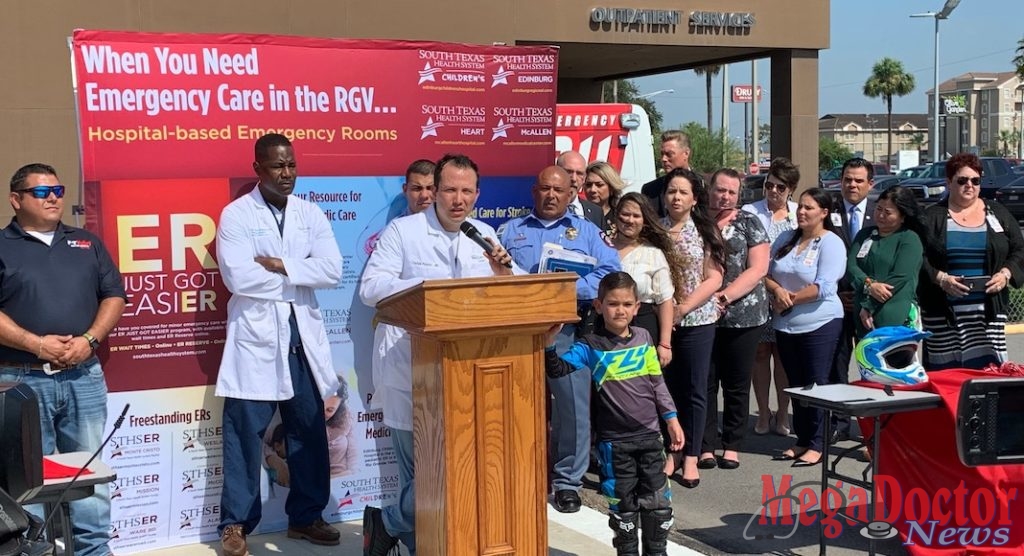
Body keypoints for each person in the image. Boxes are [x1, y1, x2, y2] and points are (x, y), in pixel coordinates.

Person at [360, 154, 517, 556]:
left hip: (470, 377)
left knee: (456, 473)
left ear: (478, 195)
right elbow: (371, 288)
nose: (457, 199)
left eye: (467, 191)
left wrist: (504, 275)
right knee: (425, 479)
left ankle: (387, 522)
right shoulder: (403, 232)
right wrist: (431, 290)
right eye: (449, 190)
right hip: (410, 374)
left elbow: (514, 295)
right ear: (435, 192)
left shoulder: (484, 235)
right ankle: (415, 545)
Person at [216, 134, 343, 556]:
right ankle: (235, 524)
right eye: (277, 166)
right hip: (256, 339)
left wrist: (279, 264)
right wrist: (299, 273)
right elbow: (239, 278)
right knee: (243, 434)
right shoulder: (236, 215)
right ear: (258, 169)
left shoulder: (310, 213)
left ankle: (306, 516)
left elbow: (332, 271)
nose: (286, 174)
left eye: (291, 165)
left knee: (308, 430)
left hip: (300, 338)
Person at [0, 162, 126, 556]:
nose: (53, 197)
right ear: (16, 199)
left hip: (83, 378)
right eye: (41, 192)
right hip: (22, 382)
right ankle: (32, 549)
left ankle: (94, 551)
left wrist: (90, 339)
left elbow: (114, 296)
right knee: (28, 481)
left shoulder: (86, 242)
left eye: (57, 190)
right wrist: (37, 344)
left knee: (88, 474)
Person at [500, 165, 620, 514]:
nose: (551, 196)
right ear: (534, 191)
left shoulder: (588, 233)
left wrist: (562, 292)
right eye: (545, 189)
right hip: (518, 333)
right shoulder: (510, 231)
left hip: (567, 330)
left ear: (571, 194)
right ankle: (518, 474)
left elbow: (610, 272)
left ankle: (568, 482)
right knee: (514, 407)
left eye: (559, 190)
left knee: (572, 409)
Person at [544, 272, 683, 556]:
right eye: (612, 304)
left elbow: (658, 385)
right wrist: (548, 344)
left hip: (650, 437)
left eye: (626, 304)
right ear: (598, 306)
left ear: (637, 307)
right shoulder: (589, 345)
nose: (620, 310)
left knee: (658, 505)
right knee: (624, 510)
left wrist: (672, 420)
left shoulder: (644, 337)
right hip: (614, 443)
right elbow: (557, 370)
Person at [765, 188, 846, 467]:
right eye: (800, 207)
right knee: (796, 385)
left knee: (816, 383)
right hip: (787, 325)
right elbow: (767, 273)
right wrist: (777, 291)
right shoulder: (786, 238)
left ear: (823, 213)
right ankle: (802, 440)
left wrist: (790, 300)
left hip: (821, 322)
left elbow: (824, 286)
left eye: (809, 208)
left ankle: (818, 443)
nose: (801, 212)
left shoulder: (831, 243)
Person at [919, 153, 1024, 370]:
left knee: (988, 376)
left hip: (987, 312)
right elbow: (916, 256)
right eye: (962, 180)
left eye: (975, 181)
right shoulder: (931, 216)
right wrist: (940, 278)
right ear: (948, 182)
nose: (970, 185)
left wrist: (1006, 274)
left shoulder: (997, 212)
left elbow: (1019, 249)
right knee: (947, 376)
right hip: (943, 314)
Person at [657, 169, 725, 488]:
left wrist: (684, 307)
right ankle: (672, 452)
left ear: (694, 199)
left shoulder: (704, 230)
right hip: (662, 321)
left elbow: (714, 277)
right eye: (672, 191)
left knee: (695, 389)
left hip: (697, 319)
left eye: (683, 192)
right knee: (666, 389)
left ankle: (693, 456)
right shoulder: (655, 229)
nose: (676, 197)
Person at [700, 168, 770, 471]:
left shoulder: (749, 222)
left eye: (731, 192)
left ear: (739, 195)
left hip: (743, 315)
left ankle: (732, 445)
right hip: (701, 314)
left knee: (736, 384)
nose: (724, 196)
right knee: (704, 383)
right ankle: (705, 446)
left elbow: (757, 269)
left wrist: (724, 297)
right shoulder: (697, 220)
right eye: (720, 190)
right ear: (710, 190)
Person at [742, 158, 799, 436]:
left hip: (790, 297)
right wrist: (770, 286)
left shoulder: (799, 214)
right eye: (769, 185)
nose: (773, 191)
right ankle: (763, 413)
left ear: (791, 189)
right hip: (759, 293)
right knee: (761, 353)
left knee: (785, 356)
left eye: (780, 187)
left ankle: (783, 414)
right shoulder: (750, 212)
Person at [827, 157, 876, 444]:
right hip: (838, 302)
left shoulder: (882, 213)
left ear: (870, 184)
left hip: (872, 306)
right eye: (847, 179)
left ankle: (872, 426)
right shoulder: (829, 210)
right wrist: (835, 293)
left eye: (858, 180)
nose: (852, 185)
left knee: (872, 367)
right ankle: (840, 423)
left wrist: (865, 295)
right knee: (838, 365)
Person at [610, 192, 683, 366]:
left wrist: (665, 344)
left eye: (636, 216)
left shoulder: (653, 254)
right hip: (607, 327)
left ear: (644, 220)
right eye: (625, 214)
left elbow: (665, 300)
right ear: (616, 216)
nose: (630, 220)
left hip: (643, 325)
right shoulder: (603, 248)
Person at [846, 186, 926, 338]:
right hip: (863, 316)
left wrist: (870, 305)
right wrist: (870, 285)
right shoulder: (865, 235)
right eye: (878, 209)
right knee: (866, 359)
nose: (881, 215)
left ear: (902, 216)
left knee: (897, 360)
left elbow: (900, 277)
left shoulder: (909, 239)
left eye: (887, 212)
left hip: (895, 314)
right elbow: (852, 266)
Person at [641, 131, 700, 217]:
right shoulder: (650, 190)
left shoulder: (704, 185)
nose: (664, 159)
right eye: (662, 154)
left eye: (669, 154)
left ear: (686, 154)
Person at [556, 151, 606, 230]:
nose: (574, 179)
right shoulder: (545, 209)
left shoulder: (596, 212)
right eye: (568, 172)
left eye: (579, 173)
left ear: (584, 178)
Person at [325, 378, 358, 477]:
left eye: (330, 410)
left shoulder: (346, 421)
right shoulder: (306, 420)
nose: (322, 413)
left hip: (344, 479)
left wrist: (352, 474)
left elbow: (354, 456)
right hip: (317, 481)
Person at [585, 161, 625, 233]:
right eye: (588, 184)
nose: (592, 190)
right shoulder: (579, 213)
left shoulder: (621, 217)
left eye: (599, 185)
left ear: (612, 187)